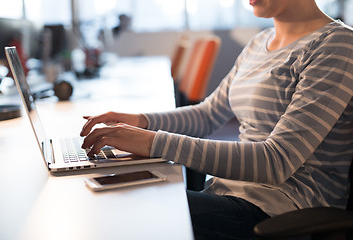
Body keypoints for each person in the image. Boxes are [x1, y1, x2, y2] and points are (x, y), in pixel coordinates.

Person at [80, 0, 353, 239]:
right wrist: (139, 122)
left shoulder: (337, 45)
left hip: (282, 212)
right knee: (114, 196)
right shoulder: (260, 42)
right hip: (226, 192)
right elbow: (208, 115)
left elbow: (277, 161)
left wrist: (153, 142)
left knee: (122, 211)